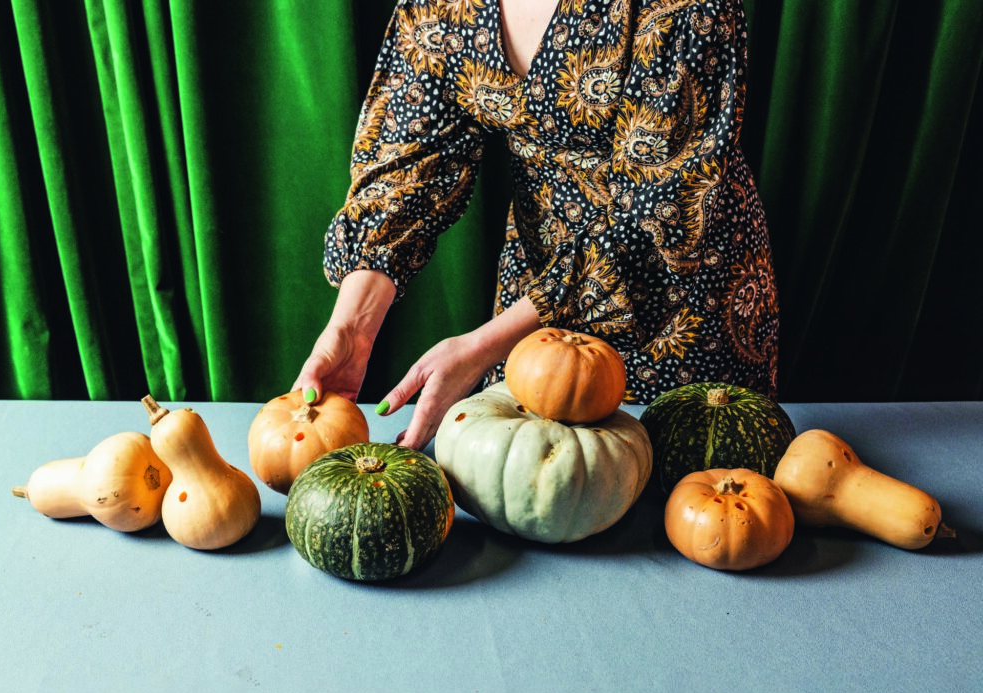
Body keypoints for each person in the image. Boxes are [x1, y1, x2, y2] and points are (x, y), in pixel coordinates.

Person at [293, 0, 780, 450]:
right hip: (531, 297)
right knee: (533, 485)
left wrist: (482, 346)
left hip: (678, 296)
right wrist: (352, 326)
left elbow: (659, 213)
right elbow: (405, 166)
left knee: (681, 497)